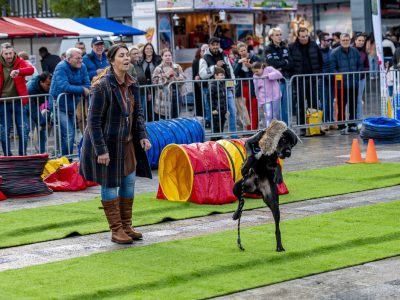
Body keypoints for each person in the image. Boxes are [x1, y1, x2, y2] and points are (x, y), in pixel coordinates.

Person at [79, 44, 152, 244]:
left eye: (128, 55)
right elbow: (92, 122)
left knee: (129, 182)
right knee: (110, 185)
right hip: (106, 144)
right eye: (122, 56)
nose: (127, 58)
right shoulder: (101, 86)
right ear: (112, 60)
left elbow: (138, 113)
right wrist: (100, 150)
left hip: (127, 143)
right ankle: (116, 229)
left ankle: (127, 225)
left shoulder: (132, 83)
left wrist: (142, 135)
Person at [50, 47, 90, 156]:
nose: (80, 60)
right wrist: (81, 89)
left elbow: (87, 84)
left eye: (81, 58)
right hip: (58, 105)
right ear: (69, 59)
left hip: (72, 104)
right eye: (77, 58)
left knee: (68, 134)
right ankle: (66, 159)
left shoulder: (83, 67)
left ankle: (65, 158)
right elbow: (64, 86)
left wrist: (83, 88)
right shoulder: (61, 67)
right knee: (69, 133)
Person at [288, 27, 323, 136]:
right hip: (298, 80)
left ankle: (314, 127)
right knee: (301, 105)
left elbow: (320, 60)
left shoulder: (314, 45)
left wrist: (318, 74)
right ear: (298, 36)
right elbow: (290, 63)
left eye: (306, 36)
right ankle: (302, 127)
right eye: (302, 36)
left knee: (314, 104)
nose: (304, 38)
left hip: (312, 79)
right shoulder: (292, 47)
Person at [0, 43, 32, 156]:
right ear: (2, 54)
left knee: (23, 129)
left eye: (10, 53)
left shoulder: (19, 61)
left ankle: (22, 155)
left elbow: (31, 70)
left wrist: (19, 71)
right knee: (4, 131)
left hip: (19, 101)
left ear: (14, 53)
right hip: (3, 103)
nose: (9, 56)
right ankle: (8, 156)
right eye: (6, 54)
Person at [199, 37, 236, 134]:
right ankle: (216, 136)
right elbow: (202, 74)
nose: (215, 47)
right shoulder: (204, 58)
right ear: (209, 46)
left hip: (227, 88)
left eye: (217, 44)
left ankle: (234, 136)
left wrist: (233, 85)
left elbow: (230, 70)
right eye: (213, 44)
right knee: (216, 114)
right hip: (213, 89)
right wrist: (215, 67)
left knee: (233, 111)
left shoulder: (224, 55)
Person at [331, 33, 363, 134]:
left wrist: (356, 76)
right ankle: (341, 125)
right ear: (340, 41)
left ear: (350, 41)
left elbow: (360, 66)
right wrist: (343, 77)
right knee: (341, 106)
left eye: (347, 40)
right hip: (341, 86)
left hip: (354, 84)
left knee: (353, 105)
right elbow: (333, 69)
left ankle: (352, 125)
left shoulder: (355, 51)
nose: (345, 42)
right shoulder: (335, 53)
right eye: (343, 40)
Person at [80, 37, 110, 134]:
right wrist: (95, 72)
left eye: (101, 44)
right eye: (97, 45)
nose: (99, 47)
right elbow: (81, 75)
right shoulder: (85, 59)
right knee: (91, 116)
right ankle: (88, 136)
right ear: (92, 46)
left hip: (105, 91)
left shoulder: (107, 58)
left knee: (105, 114)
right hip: (90, 93)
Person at [265, 27, 290, 125]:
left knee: (286, 107)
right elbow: (272, 64)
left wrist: (282, 64)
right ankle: (277, 129)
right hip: (275, 82)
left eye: (280, 34)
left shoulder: (285, 48)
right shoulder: (268, 49)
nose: (279, 37)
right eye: (277, 35)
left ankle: (286, 129)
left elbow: (291, 63)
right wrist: (284, 62)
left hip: (286, 79)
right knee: (276, 109)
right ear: (271, 37)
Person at [152, 48, 185, 120]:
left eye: (169, 55)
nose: (168, 57)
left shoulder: (177, 67)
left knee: (176, 116)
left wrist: (174, 77)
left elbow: (183, 79)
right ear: (162, 57)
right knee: (165, 117)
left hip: (176, 94)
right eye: (166, 55)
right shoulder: (158, 69)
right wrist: (167, 75)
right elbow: (156, 83)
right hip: (163, 97)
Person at [234, 42, 260, 130]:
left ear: (246, 49)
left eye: (244, 50)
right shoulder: (237, 60)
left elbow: (259, 68)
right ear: (238, 52)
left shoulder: (253, 57)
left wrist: (251, 66)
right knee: (245, 107)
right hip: (242, 85)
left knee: (253, 106)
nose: (243, 52)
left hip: (252, 84)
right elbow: (235, 73)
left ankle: (254, 127)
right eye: (241, 51)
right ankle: (248, 127)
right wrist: (239, 63)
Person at [27, 72, 52, 153]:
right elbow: (32, 108)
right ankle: (23, 154)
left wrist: (45, 120)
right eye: (48, 85)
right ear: (41, 82)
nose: (50, 87)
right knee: (25, 129)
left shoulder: (50, 87)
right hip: (27, 105)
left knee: (42, 128)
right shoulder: (31, 88)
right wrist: (41, 122)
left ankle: (42, 152)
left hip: (40, 103)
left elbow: (49, 104)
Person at [252, 62, 283, 127]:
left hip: (275, 96)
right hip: (264, 99)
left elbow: (279, 75)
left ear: (261, 68)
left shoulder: (269, 69)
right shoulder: (255, 76)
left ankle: (275, 131)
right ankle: (268, 132)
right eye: (254, 72)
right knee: (268, 115)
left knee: (275, 115)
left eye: (257, 71)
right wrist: (259, 101)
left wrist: (269, 76)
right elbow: (256, 89)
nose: (255, 73)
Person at [141, 43, 161, 121]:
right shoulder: (141, 61)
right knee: (146, 106)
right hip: (145, 87)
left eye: (150, 48)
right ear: (144, 50)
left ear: (153, 50)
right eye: (147, 49)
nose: (149, 50)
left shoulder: (158, 60)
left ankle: (155, 122)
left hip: (155, 87)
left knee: (155, 106)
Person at [318, 32, 335, 125]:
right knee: (323, 101)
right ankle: (324, 120)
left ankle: (330, 119)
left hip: (331, 80)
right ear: (322, 41)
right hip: (322, 80)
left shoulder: (332, 51)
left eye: (330, 40)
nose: (329, 42)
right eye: (327, 40)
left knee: (330, 101)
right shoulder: (318, 51)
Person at [353, 34, 369, 123]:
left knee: (359, 100)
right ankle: (350, 120)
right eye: (359, 40)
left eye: (363, 41)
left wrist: (362, 71)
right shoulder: (351, 51)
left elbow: (367, 66)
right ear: (355, 41)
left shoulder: (364, 53)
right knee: (350, 100)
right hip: (351, 79)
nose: (361, 42)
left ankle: (358, 120)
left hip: (361, 79)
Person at [129, 46, 147, 116]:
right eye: (134, 54)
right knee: (136, 113)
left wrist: (148, 92)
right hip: (134, 93)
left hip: (142, 92)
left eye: (137, 53)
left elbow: (143, 79)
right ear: (129, 55)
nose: (136, 55)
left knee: (142, 112)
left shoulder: (139, 64)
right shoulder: (129, 66)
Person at [209, 67, 227, 139]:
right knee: (216, 127)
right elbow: (210, 98)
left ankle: (219, 139)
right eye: (221, 75)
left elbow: (223, 98)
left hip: (222, 109)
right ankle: (214, 141)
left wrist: (225, 109)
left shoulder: (222, 84)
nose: (223, 76)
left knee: (221, 125)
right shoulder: (213, 85)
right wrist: (213, 109)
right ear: (215, 76)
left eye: (223, 75)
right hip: (216, 110)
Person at [192, 44, 208, 117]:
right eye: (203, 51)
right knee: (201, 101)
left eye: (206, 50)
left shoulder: (209, 59)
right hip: (199, 85)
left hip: (208, 84)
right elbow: (195, 75)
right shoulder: (196, 61)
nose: (204, 52)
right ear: (200, 52)